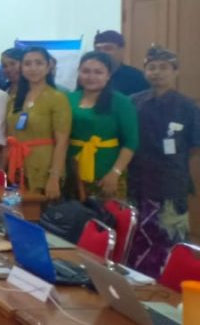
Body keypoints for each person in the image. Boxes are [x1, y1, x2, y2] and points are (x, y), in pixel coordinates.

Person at [126, 46, 200, 278]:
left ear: (175, 71)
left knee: (170, 235)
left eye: (163, 67)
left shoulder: (188, 106)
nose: (157, 72)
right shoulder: (133, 102)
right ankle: (138, 281)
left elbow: (194, 146)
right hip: (137, 178)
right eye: (151, 68)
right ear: (145, 71)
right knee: (137, 235)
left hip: (171, 181)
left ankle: (169, 284)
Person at [66, 51, 138, 200]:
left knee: (106, 213)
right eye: (86, 71)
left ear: (108, 75)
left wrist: (115, 173)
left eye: (98, 72)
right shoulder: (68, 99)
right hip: (72, 169)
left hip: (107, 171)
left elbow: (131, 142)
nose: (91, 77)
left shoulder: (121, 101)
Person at [4, 47, 71, 198]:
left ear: (48, 67)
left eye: (39, 63)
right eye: (28, 64)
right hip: (18, 166)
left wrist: (54, 176)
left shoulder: (57, 98)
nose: (33, 68)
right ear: (21, 68)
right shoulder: (15, 99)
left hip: (44, 167)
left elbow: (62, 141)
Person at [93, 30, 149, 96]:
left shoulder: (138, 78)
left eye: (108, 48)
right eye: (98, 49)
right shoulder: (89, 77)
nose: (102, 53)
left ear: (121, 50)